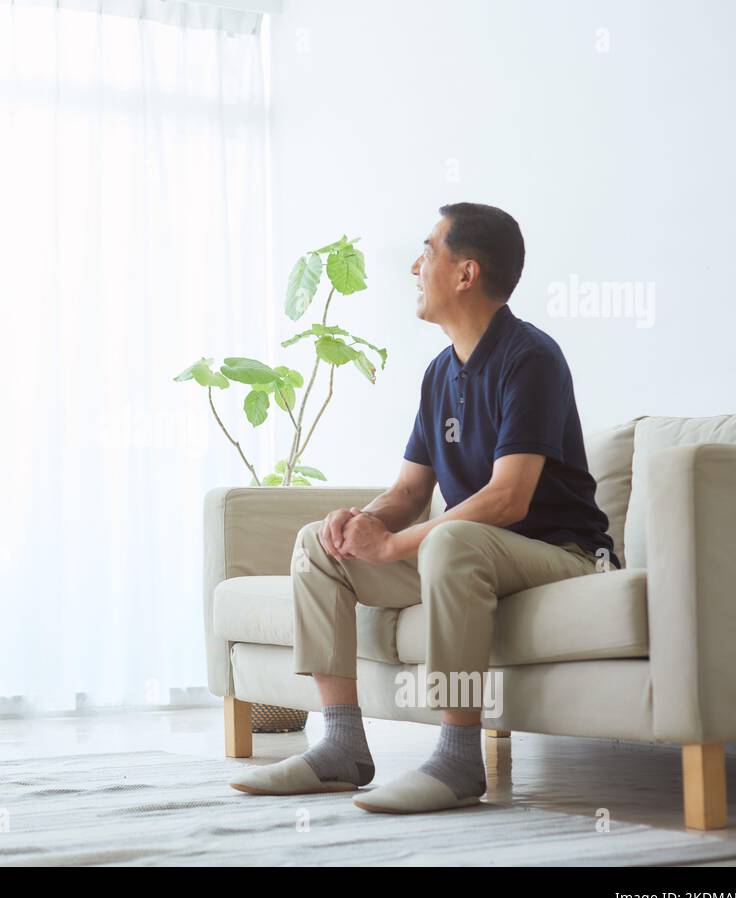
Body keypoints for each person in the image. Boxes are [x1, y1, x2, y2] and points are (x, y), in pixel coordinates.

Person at [230, 202, 619, 813]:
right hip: (472, 559)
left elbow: (508, 498)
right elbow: (410, 492)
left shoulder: (531, 359)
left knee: (450, 540)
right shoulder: (440, 373)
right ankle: (341, 750)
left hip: (562, 555)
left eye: (428, 250)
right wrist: (364, 523)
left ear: (466, 273)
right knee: (317, 544)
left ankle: (459, 759)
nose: (415, 265)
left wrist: (393, 546)